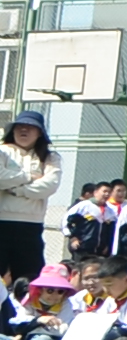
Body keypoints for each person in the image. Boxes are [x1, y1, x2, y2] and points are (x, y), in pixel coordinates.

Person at [0, 107, 58, 283]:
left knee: (29, 278)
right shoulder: (3, 151)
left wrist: (16, 189)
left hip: (31, 226)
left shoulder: (49, 157)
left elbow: (50, 185)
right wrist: (27, 177)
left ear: (40, 132)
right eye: (19, 126)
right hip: (1, 222)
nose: (23, 130)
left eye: (30, 127)